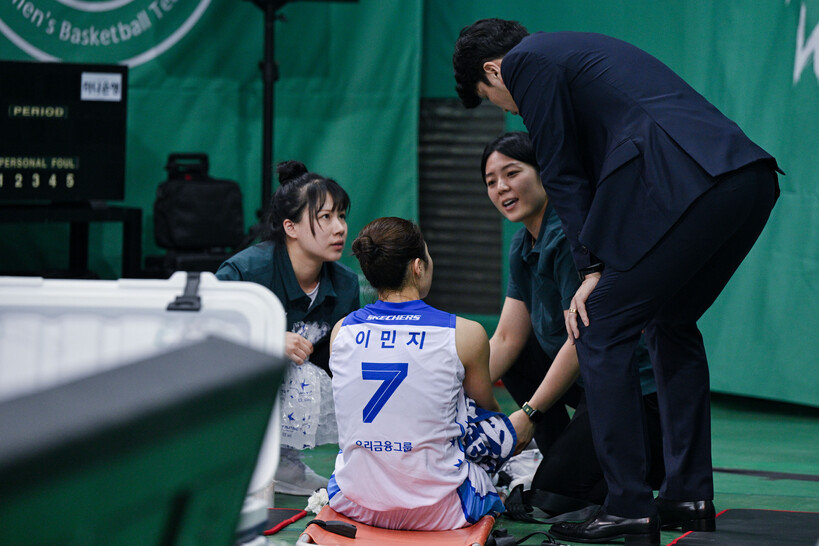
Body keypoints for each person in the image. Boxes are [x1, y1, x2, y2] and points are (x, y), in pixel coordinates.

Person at [454, 20, 780, 545]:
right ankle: (688, 496)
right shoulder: (569, 52)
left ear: (494, 70)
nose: (511, 111)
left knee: (598, 324)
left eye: (497, 100)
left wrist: (591, 269)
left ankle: (628, 506)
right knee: (671, 322)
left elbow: (562, 171)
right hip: (745, 180)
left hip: (690, 185)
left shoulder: (527, 61)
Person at [483, 131, 664, 514]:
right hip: (590, 389)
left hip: (633, 395)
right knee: (519, 357)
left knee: (553, 497)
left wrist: (528, 414)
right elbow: (506, 340)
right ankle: (564, 457)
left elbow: (582, 343)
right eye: (491, 181)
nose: (502, 188)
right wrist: (449, 394)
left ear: (545, 172)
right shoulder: (522, 244)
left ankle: (639, 468)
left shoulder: (569, 237)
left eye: (512, 173)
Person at [326, 217, 516, 531]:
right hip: (441, 512)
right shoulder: (465, 333)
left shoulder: (341, 331)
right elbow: (488, 412)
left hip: (352, 503)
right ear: (418, 267)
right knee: (496, 424)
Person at [216, 160, 360, 496]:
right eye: (326, 217)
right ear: (290, 227)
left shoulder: (346, 284)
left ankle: (284, 462)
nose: (339, 228)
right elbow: (202, 335)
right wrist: (264, 339)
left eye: (341, 216)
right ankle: (232, 465)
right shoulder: (244, 272)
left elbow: (341, 365)